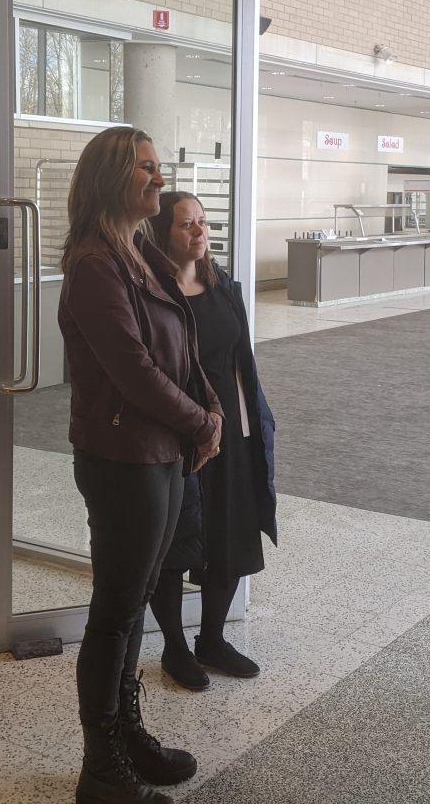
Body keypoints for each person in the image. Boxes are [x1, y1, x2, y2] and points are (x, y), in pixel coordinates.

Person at [59, 127, 224, 804]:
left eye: (160, 167)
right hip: (123, 458)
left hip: (158, 454)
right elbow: (133, 369)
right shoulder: (96, 263)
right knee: (116, 613)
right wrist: (199, 421)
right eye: (145, 169)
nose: (160, 179)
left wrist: (209, 404)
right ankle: (101, 770)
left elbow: (182, 345)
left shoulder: (137, 252)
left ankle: (127, 740)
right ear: (111, 179)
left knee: (131, 611)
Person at [148, 191, 278, 691]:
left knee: (231, 536)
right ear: (163, 234)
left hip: (233, 434)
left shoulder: (224, 286)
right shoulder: (154, 293)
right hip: (180, 437)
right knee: (177, 545)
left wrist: (251, 430)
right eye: (186, 224)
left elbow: (242, 362)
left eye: (202, 222)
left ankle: (212, 639)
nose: (199, 232)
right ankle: (176, 649)